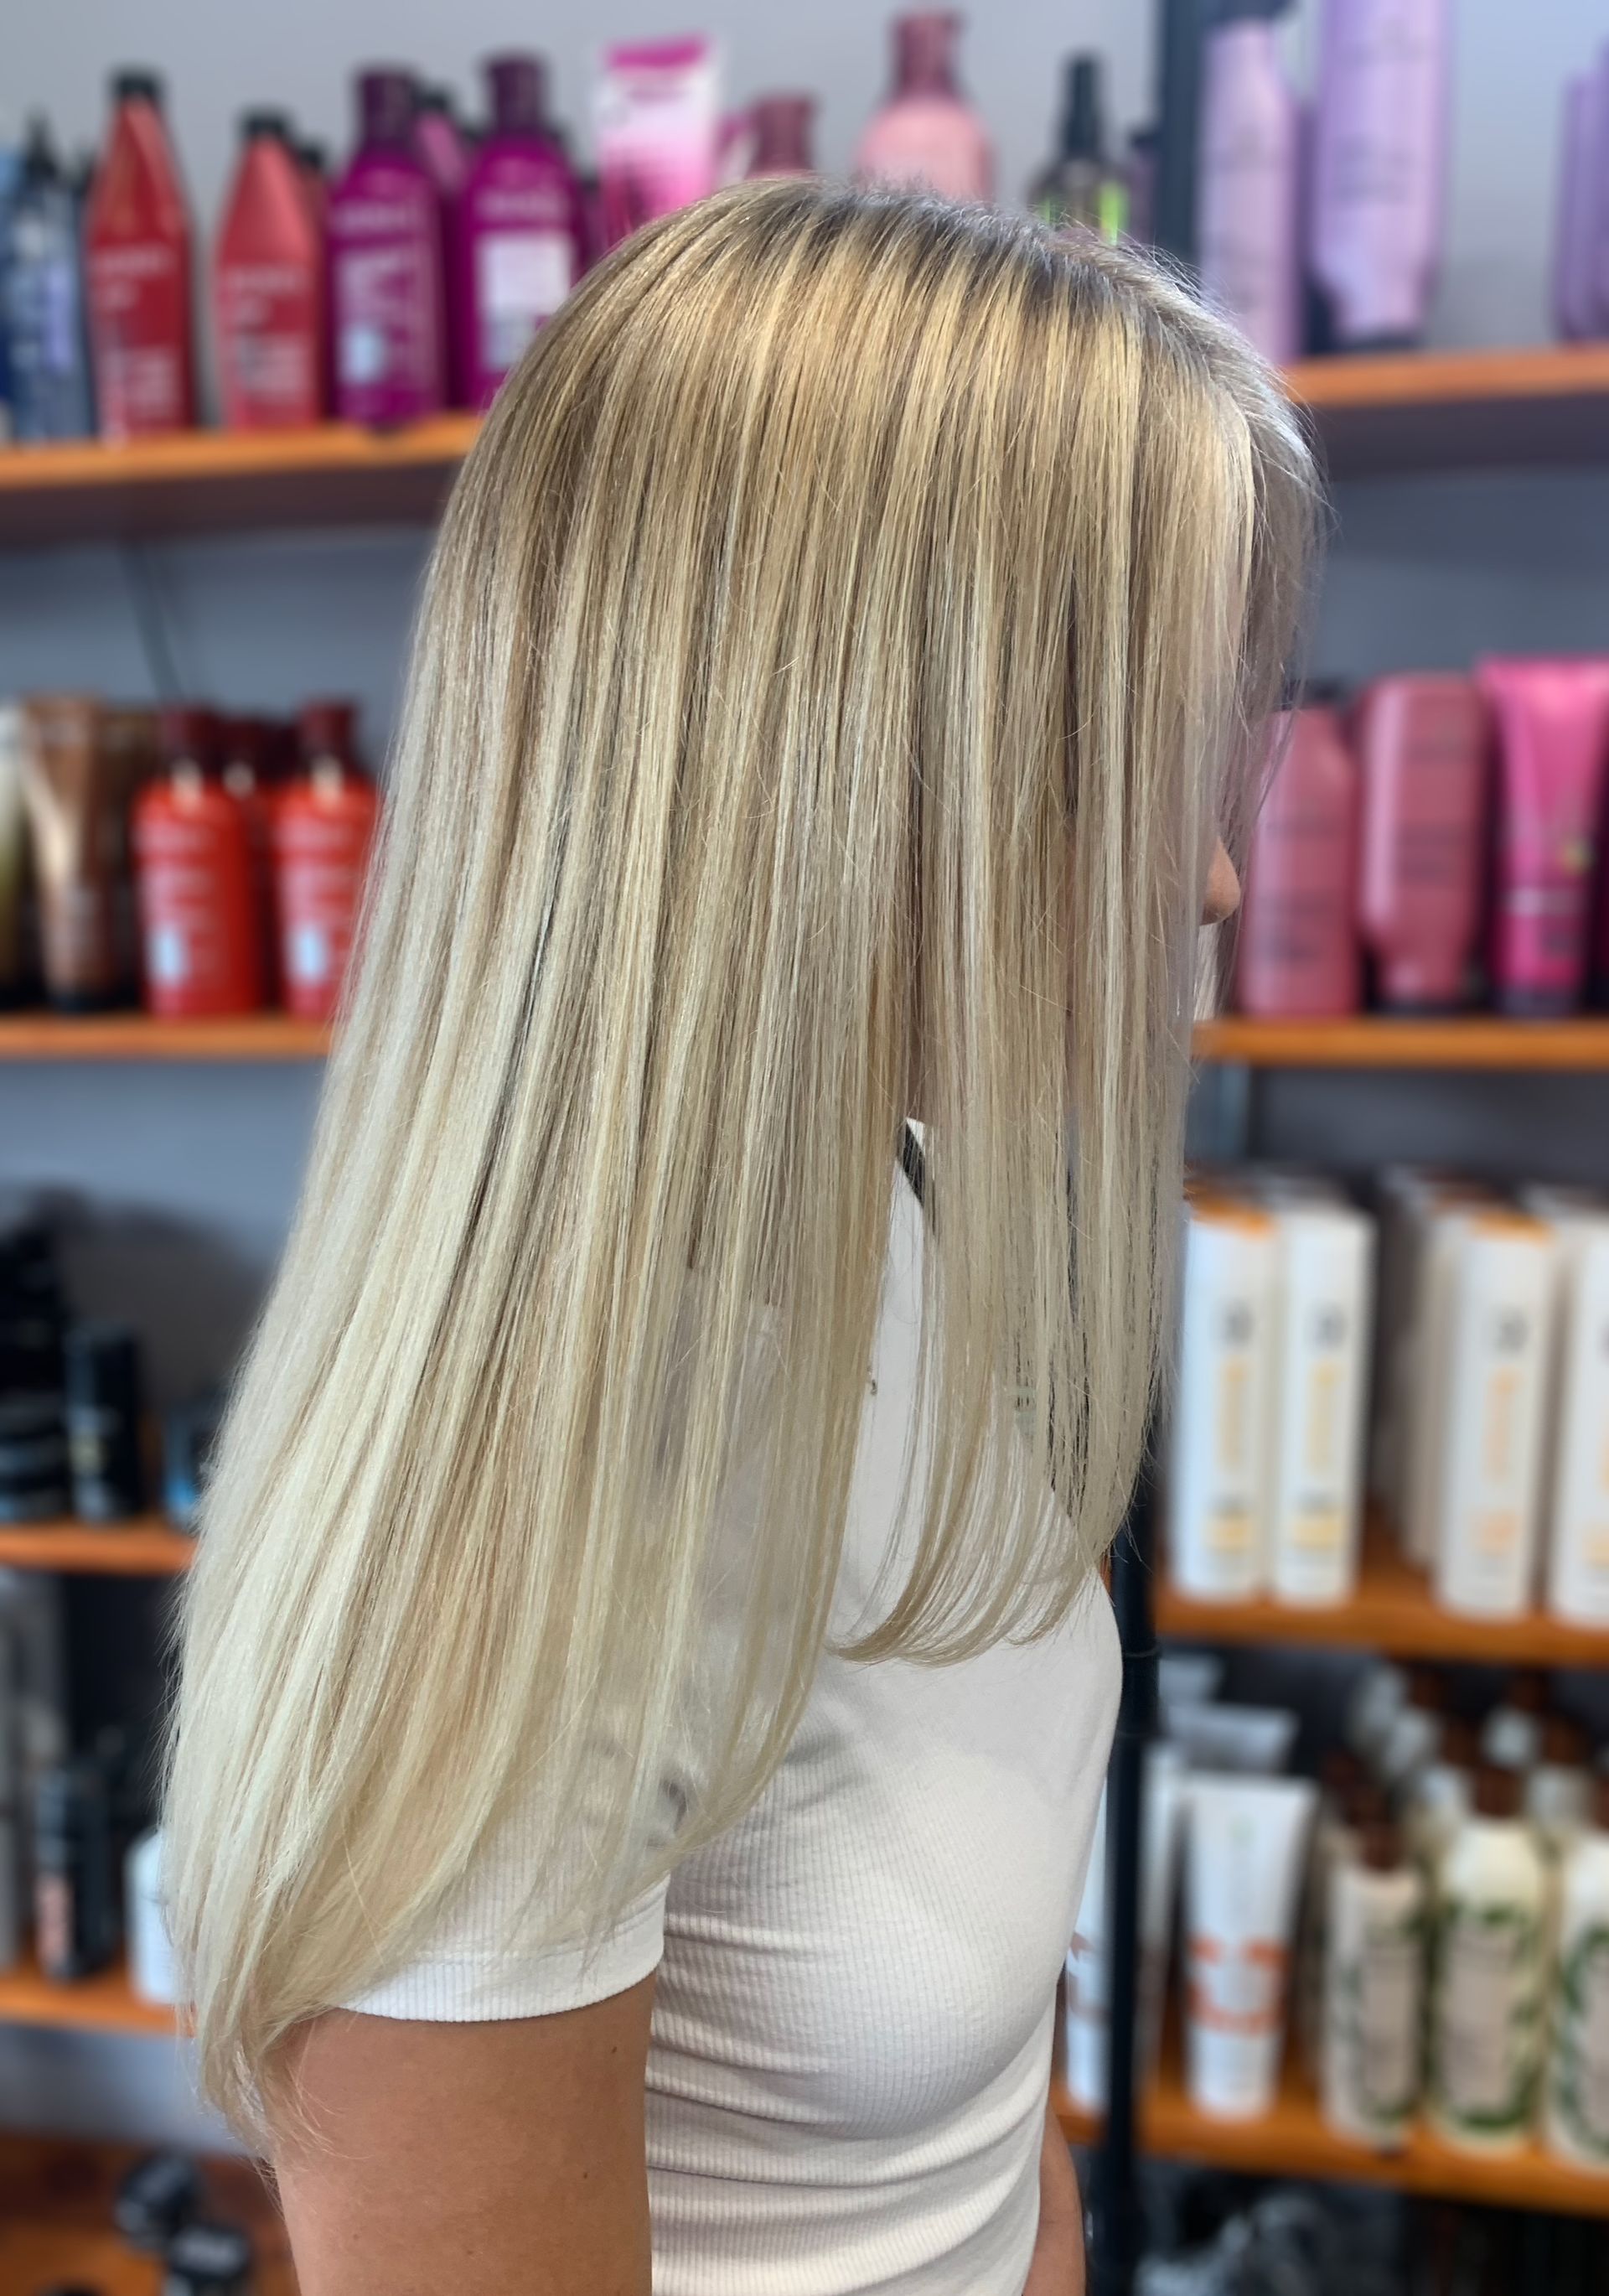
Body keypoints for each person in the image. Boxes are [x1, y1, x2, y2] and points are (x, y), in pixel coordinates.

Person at [166, 179, 1316, 2295]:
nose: (1217, 880)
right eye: (1109, 758)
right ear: (822, 767)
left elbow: (984, 2124)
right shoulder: (522, 1509)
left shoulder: (901, 1213)